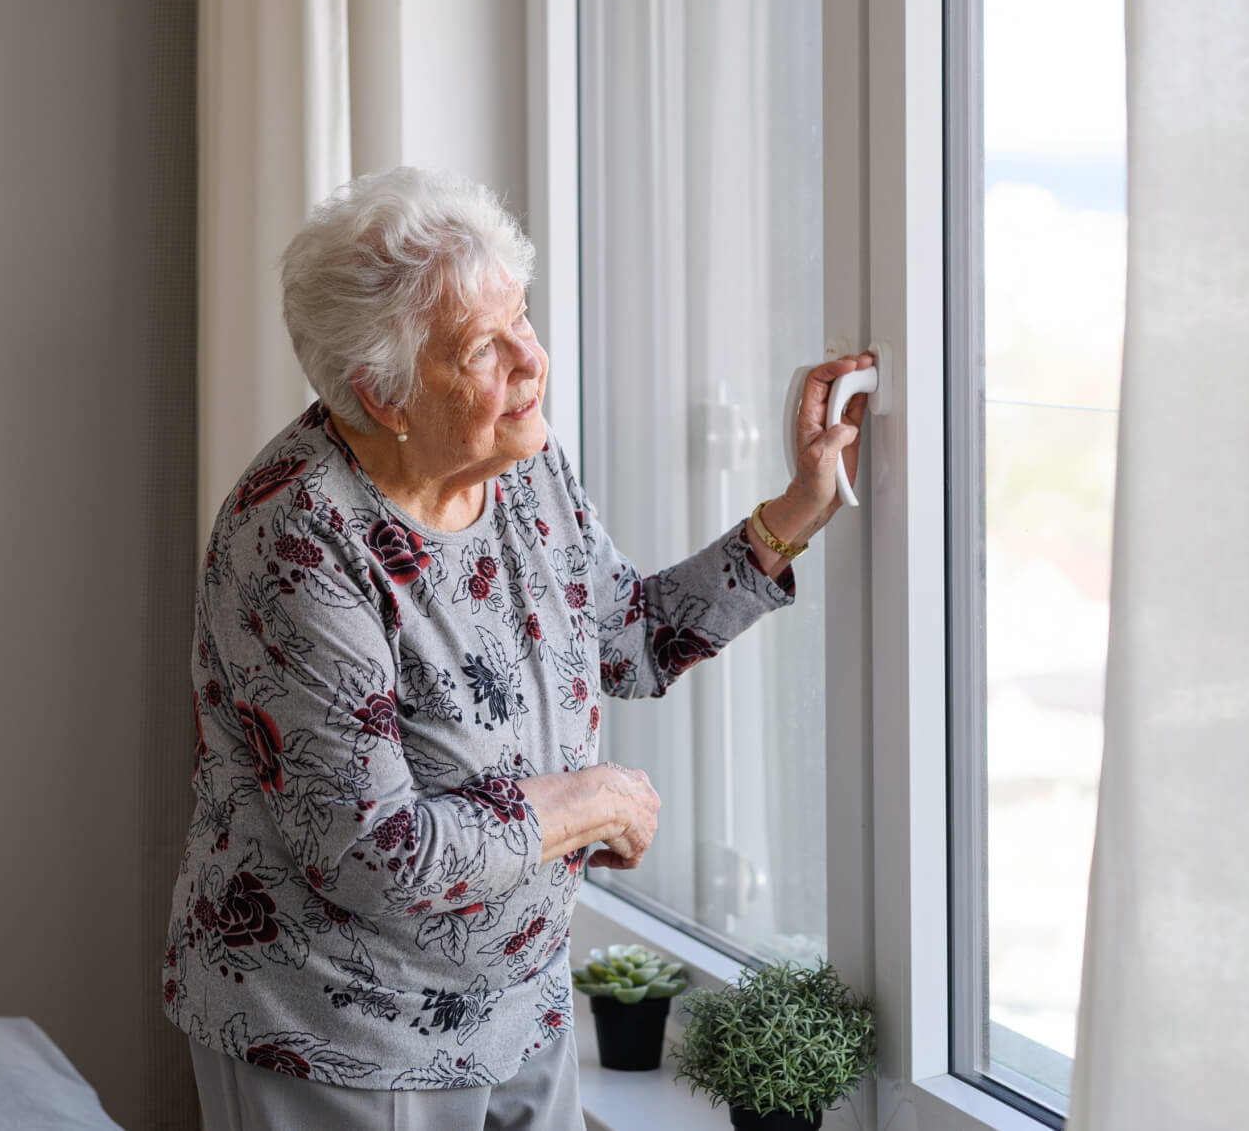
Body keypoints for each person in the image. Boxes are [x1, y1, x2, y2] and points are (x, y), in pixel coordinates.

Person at [160, 167, 870, 1129]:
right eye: (483, 347)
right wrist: (587, 802)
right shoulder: (298, 535)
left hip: (522, 1007)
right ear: (385, 395)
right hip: (342, 1035)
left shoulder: (520, 461)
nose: (530, 361)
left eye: (521, 317)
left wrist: (792, 513)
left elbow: (625, 639)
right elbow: (374, 851)